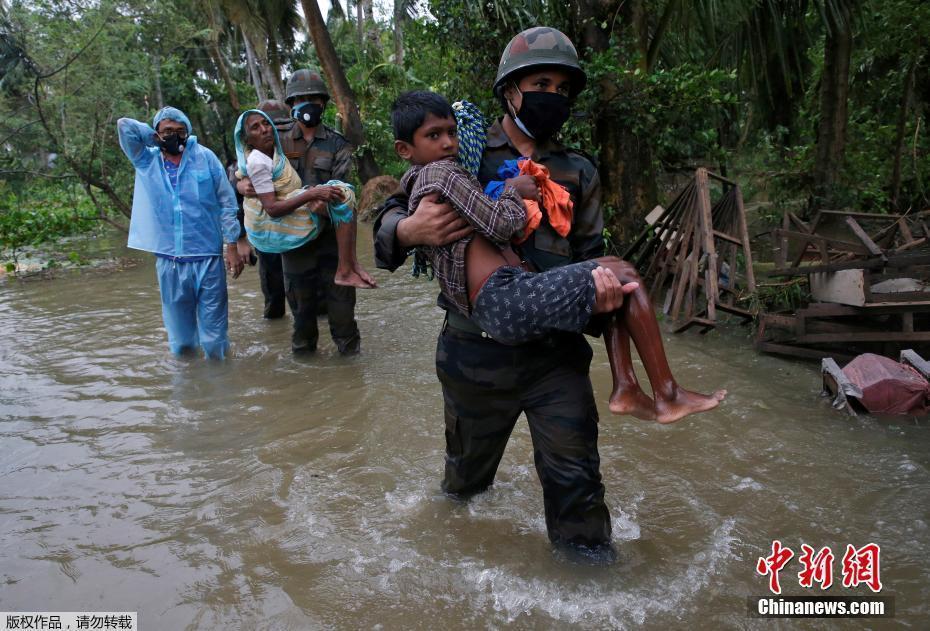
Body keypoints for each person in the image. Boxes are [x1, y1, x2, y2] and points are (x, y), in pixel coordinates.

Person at [375, 27, 723, 553]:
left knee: (578, 489)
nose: (552, 97)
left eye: (563, 89)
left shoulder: (577, 169)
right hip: (474, 355)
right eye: (541, 83)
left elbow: (587, 260)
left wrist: (601, 306)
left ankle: (591, 589)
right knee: (465, 486)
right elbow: (392, 217)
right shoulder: (462, 151)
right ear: (510, 92)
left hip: (554, 358)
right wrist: (406, 230)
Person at [392, 89, 725, 421]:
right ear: (405, 149)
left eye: (451, 132)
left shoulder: (420, 178)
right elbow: (498, 226)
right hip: (501, 300)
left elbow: (586, 251)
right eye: (434, 135)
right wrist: (512, 191)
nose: (449, 143)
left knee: (610, 273)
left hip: (504, 305)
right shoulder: (446, 172)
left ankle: (628, 387)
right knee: (627, 277)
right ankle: (667, 394)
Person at [238, 68, 363, 355]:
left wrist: (325, 203)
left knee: (344, 320)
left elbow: (345, 192)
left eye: (314, 99)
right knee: (302, 324)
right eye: (300, 99)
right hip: (293, 245)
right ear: (290, 104)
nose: (307, 105)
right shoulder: (274, 139)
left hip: (331, 241)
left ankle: (351, 380)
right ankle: (304, 383)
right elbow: (243, 164)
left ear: (324, 104)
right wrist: (242, 181)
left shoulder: (338, 144)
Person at [117, 106, 249, 359]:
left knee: (215, 342)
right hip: (170, 262)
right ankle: (190, 392)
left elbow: (227, 202)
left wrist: (231, 245)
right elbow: (124, 125)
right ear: (157, 133)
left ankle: (221, 390)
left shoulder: (205, 157)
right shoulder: (147, 160)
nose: (174, 135)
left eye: (180, 131)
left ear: (188, 133)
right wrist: (154, 140)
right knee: (182, 344)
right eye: (167, 131)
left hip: (208, 260)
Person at [234, 108, 376, 292]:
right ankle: (346, 268)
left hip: (308, 219)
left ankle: (350, 265)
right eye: (255, 127)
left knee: (344, 196)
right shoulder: (260, 160)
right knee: (288, 297)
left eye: (266, 123)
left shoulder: (280, 148)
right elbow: (272, 209)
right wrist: (312, 194)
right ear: (247, 139)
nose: (264, 129)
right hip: (277, 223)